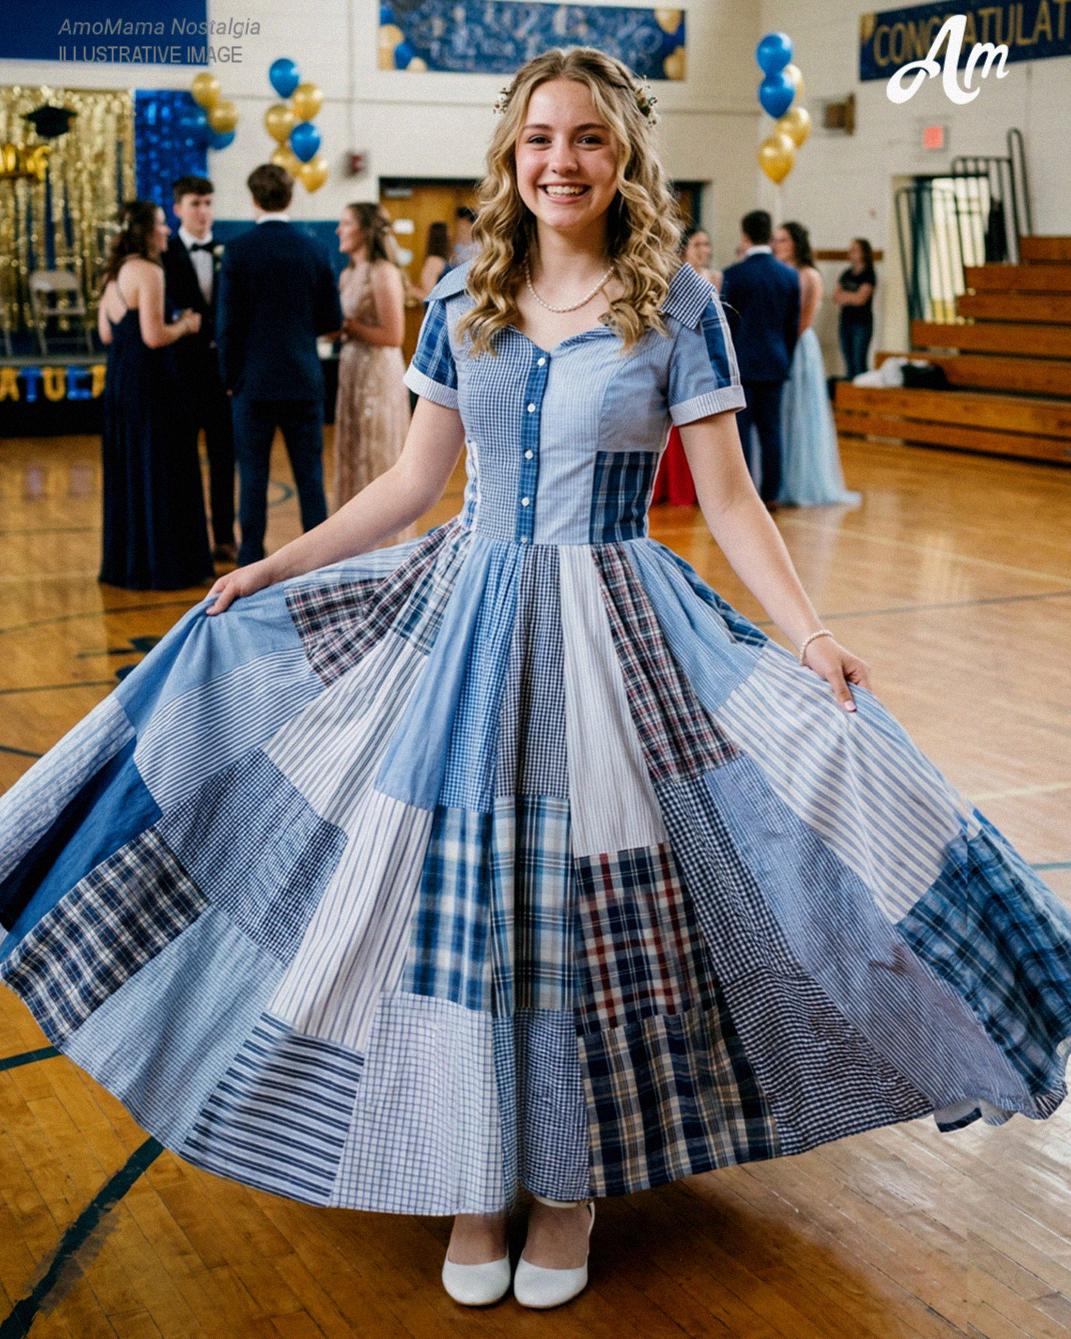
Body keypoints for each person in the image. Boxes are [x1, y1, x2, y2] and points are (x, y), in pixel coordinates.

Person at [3, 47, 1070, 1322]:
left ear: (626, 159)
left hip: (619, 627)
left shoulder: (677, 302)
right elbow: (411, 488)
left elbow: (728, 497)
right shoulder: (466, 292)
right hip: (466, 620)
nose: (562, 161)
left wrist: (811, 634)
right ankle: (475, 1169)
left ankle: (569, 1181)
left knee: (591, 910)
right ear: (513, 155)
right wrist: (267, 567)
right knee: (463, 905)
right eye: (540, 140)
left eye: (590, 141)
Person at [216, 164, 342, 567]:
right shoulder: (314, 249)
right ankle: (318, 562)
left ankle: (250, 559)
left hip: (252, 383)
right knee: (310, 480)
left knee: (252, 477)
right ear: (291, 197)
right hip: (304, 379)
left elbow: (228, 324)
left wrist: (230, 378)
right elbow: (330, 321)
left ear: (253, 199)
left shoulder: (237, 250)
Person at [95, 199, 213, 590]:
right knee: (162, 467)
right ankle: (166, 564)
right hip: (152, 386)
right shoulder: (148, 271)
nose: (166, 231)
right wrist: (186, 325)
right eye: (161, 225)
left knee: (131, 468)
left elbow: (108, 335)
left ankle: (129, 562)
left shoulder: (112, 276)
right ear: (146, 232)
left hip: (120, 383)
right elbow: (154, 336)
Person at [162, 174, 237, 564]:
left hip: (221, 375)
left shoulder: (227, 250)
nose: (204, 211)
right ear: (177, 209)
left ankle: (225, 537)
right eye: (195, 204)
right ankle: (186, 541)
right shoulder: (164, 254)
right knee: (182, 459)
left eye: (208, 203)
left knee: (225, 458)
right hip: (179, 374)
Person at [772, 221, 860, 507]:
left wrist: (784, 344)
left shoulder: (809, 275)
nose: (778, 245)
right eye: (776, 240)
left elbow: (805, 318)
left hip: (799, 345)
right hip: (782, 342)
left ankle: (803, 479)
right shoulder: (781, 273)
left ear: (796, 243)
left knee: (801, 409)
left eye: (784, 240)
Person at [333, 203, 411, 509]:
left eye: (346, 223)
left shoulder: (383, 272)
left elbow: (394, 337)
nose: (339, 230)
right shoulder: (348, 273)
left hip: (377, 375)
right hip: (351, 370)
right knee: (353, 450)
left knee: (376, 452)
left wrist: (350, 327)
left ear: (365, 231)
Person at [719, 210, 800, 505]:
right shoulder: (788, 275)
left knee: (740, 433)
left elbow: (726, 324)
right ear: (769, 236)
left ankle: (744, 495)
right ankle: (772, 494)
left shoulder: (735, 274)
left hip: (742, 363)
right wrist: (785, 358)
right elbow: (792, 326)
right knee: (772, 431)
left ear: (744, 235)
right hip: (775, 362)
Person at [651, 225, 719, 507]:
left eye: (707, 244)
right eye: (698, 244)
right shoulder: (670, 283)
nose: (704, 249)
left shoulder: (715, 277)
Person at [834, 236, 876, 378]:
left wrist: (847, 296)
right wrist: (851, 296)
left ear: (863, 253)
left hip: (861, 323)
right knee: (849, 363)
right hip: (846, 321)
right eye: (850, 249)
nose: (851, 252)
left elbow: (860, 299)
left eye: (855, 249)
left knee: (859, 362)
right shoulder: (846, 273)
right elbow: (836, 296)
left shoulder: (869, 274)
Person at [413, 220, 452, 300]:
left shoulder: (436, 261)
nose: (451, 236)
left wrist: (410, 289)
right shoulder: (437, 261)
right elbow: (429, 294)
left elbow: (429, 295)